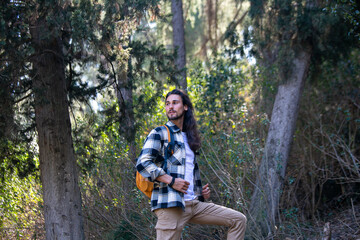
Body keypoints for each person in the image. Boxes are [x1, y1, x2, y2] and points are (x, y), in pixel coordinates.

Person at [136, 89, 247, 240]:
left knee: (238, 220)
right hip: (170, 205)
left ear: (185, 107)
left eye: (175, 103)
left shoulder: (189, 138)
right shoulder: (160, 133)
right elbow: (143, 163)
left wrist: (199, 192)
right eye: (167, 104)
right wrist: (171, 181)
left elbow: (186, 170)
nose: (170, 107)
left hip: (194, 204)